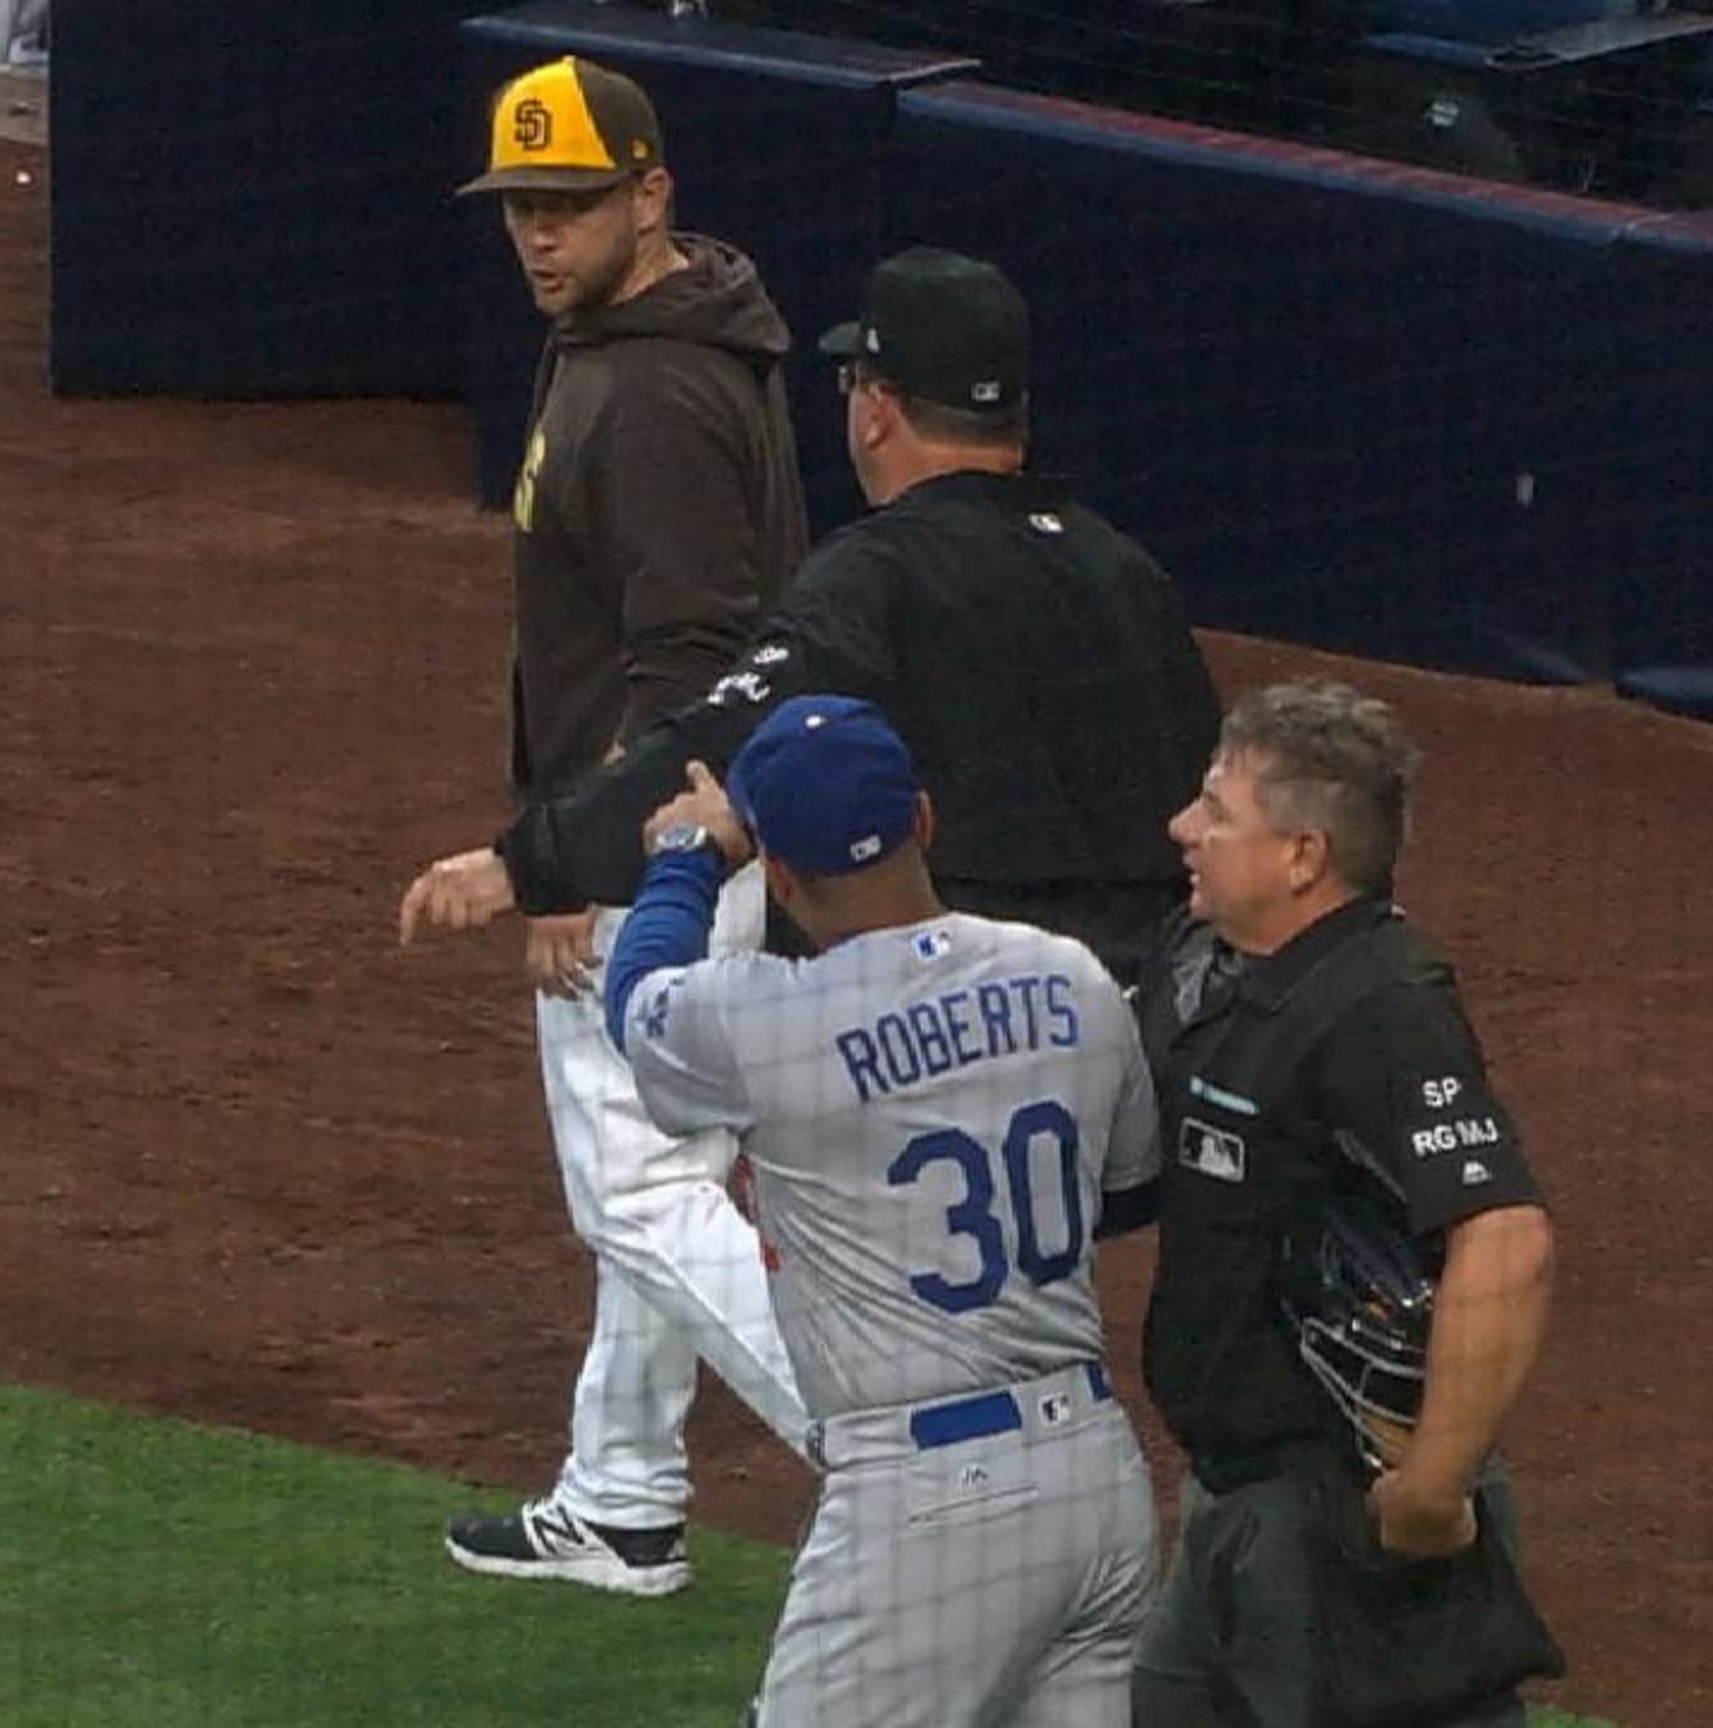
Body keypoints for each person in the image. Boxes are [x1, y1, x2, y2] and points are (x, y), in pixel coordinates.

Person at [400, 244, 1223, 986]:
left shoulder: (873, 576)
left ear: (876, 409)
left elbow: (719, 742)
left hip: (959, 1017)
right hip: (1131, 1022)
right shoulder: (1129, 573)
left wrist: (528, 865)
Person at [431, 53, 814, 1597]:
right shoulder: (644, 333)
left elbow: (690, 661)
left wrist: (585, 866)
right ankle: (623, 1491)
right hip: (697, 834)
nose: (539, 235)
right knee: (664, 1169)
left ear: (650, 196)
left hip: (658, 847)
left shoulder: (649, 390)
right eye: (521, 206)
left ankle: (897, 1463)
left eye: (571, 205)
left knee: (642, 1190)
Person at [602, 695, 1161, 1727]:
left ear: (775, 873)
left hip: (934, 1506)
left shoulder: (760, 1017)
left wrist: (684, 854)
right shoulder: (1069, 975)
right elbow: (1122, 1193)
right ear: (926, 820)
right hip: (1097, 1482)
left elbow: (635, 1002)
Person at [1122, 680, 1565, 1728]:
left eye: (1217, 812)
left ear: (1302, 857)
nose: (1184, 828)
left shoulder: (1380, 1008)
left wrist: (1429, 1491)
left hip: (1338, 1515)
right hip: (1238, 1498)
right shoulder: (1227, 972)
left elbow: (1507, 1238)